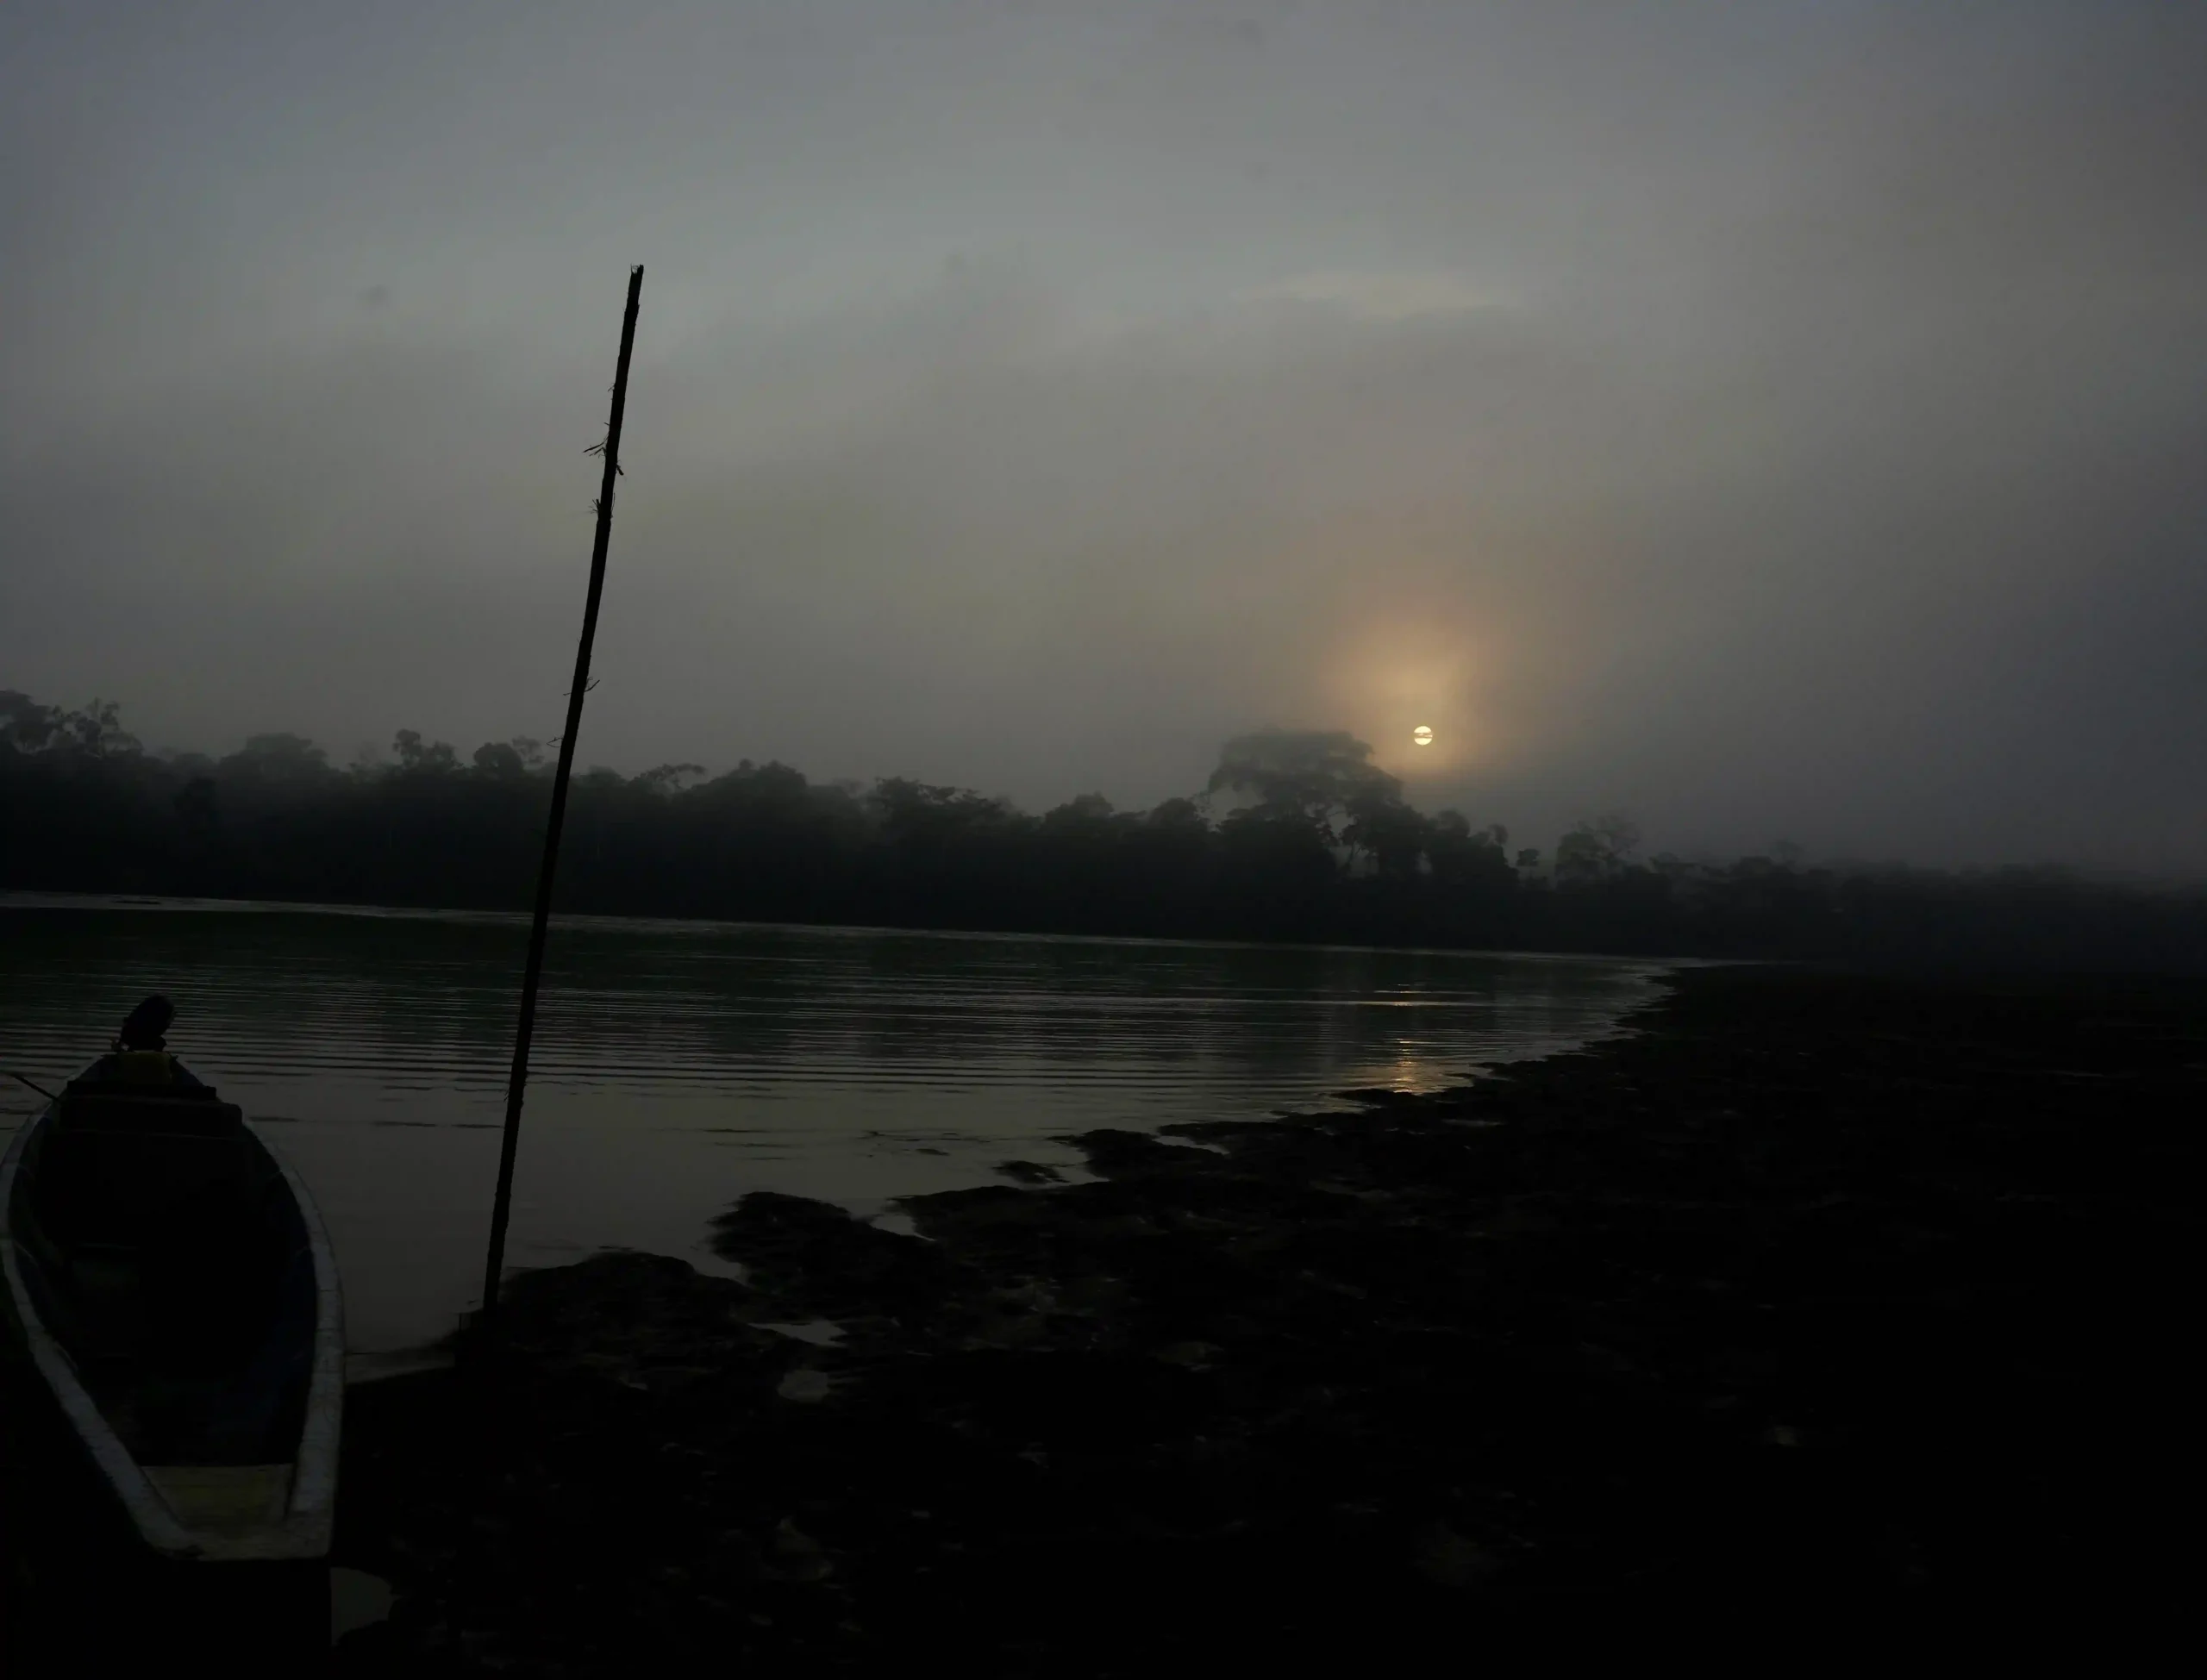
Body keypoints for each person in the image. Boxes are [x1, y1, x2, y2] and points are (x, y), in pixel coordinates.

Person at [84, 994, 208, 1089]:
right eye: (170, 1020)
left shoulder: (120, 1062)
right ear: (161, 1025)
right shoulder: (164, 1062)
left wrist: (119, 1052)